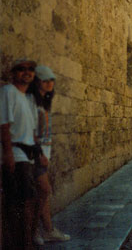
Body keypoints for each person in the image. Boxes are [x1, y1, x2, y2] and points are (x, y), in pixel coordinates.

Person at [29, 65, 70, 245]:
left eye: (51, 80)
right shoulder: (31, 101)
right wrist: (38, 154)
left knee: (42, 192)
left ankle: (47, 229)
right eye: (45, 80)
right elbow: (29, 130)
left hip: (43, 152)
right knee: (43, 190)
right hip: (33, 154)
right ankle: (35, 230)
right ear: (37, 82)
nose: (49, 83)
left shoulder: (43, 100)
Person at [0, 59, 39, 249]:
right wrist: (8, 154)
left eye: (30, 69)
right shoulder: (8, 92)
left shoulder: (28, 98)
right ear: (13, 72)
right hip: (16, 154)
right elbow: (4, 124)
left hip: (28, 155)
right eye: (21, 69)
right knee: (22, 202)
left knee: (30, 200)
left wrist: (38, 153)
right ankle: (22, 244)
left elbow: (31, 131)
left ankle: (26, 241)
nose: (27, 72)